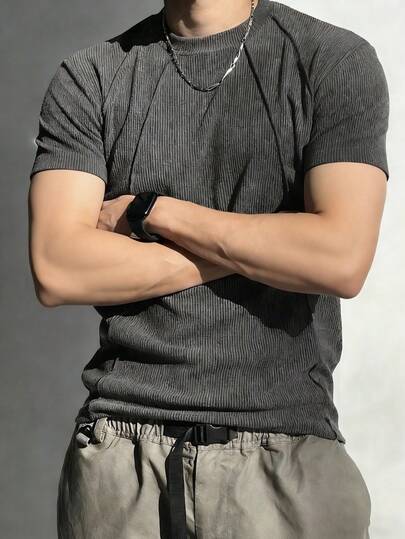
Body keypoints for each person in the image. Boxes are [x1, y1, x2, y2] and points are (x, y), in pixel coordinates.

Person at [28, 0, 389, 537]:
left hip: (284, 456)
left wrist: (155, 212)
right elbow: (57, 269)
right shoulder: (90, 77)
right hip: (120, 454)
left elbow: (341, 259)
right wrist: (264, 246)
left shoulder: (333, 61)